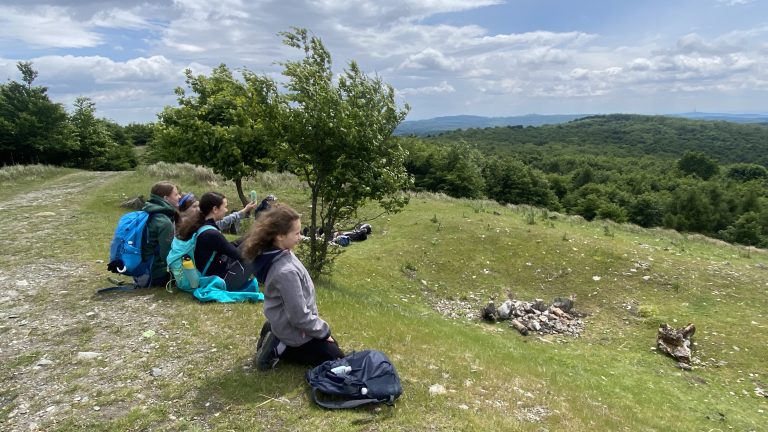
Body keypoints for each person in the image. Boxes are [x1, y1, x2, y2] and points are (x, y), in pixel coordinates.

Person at [241, 204, 344, 370]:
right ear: (280, 236)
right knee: (336, 356)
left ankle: (272, 329)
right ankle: (279, 347)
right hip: (294, 329)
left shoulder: (278, 252)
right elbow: (299, 316)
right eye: (296, 233)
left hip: (286, 320)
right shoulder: (285, 271)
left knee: (331, 346)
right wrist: (324, 331)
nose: (300, 237)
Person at [176, 192, 254, 291]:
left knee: (251, 239)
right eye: (225, 207)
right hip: (220, 282)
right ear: (215, 209)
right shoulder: (211, 233)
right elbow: (239, 256)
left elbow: (225, 247)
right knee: (255, 251)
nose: (226, 210)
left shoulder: (201, 225)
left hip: (209, 275)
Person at [141, 181, 181, 287]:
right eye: (176, 194)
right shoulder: (164, 222)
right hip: (156, 275)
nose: (179, 197)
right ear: (166, 198)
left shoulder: (147, 212)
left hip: (142, 271)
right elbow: (168, 255)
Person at [179, 192, 258, 235]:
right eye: (194, 207)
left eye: (198, 206)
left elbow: (225, 221)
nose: (198, 209)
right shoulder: (179, 228)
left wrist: (245, 210)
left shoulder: (202, 222)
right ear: (183, 210)